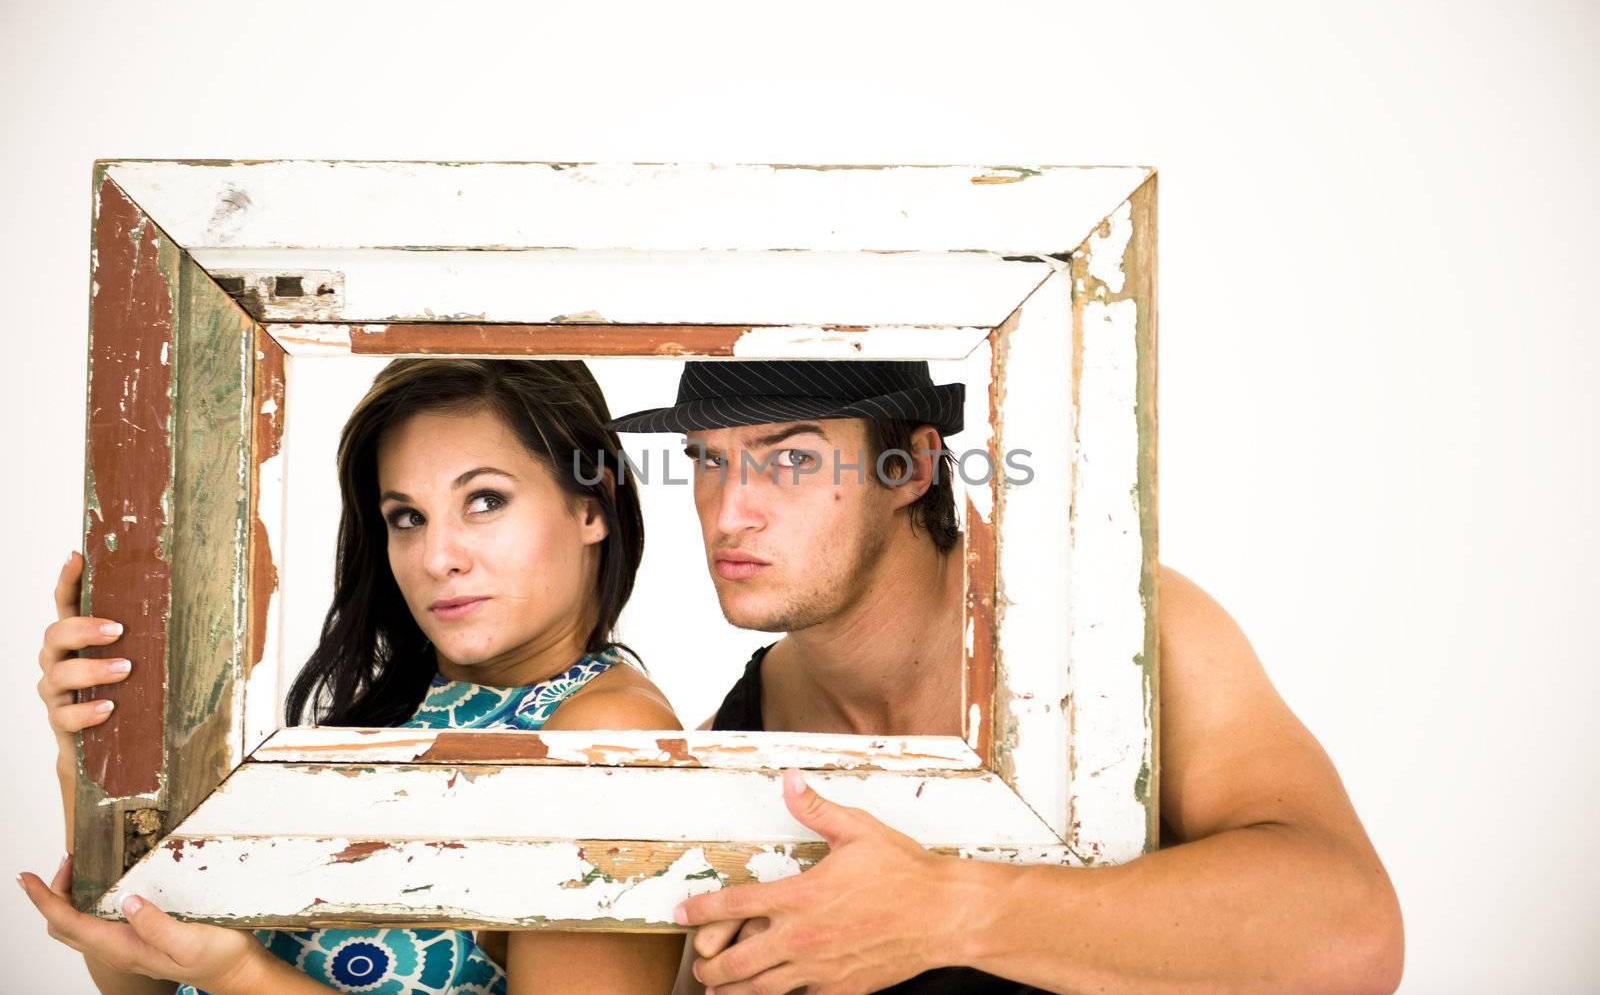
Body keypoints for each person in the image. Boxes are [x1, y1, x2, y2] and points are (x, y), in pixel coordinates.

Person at [606, 359, 1405, 995]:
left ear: (912, 466)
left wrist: (943, 912)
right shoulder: (728, 747)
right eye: (708, 460)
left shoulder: (1116, 631)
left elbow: (1352, 932)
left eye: (791, 457)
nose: (727, 510)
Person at [25, 358, 686, 995]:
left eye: (485, 500)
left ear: (592, 504)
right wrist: (89, 735)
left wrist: (238, 975)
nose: (437, 556)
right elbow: (142, 979)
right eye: (407, 516)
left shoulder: (605, 735)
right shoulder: (390, 714)